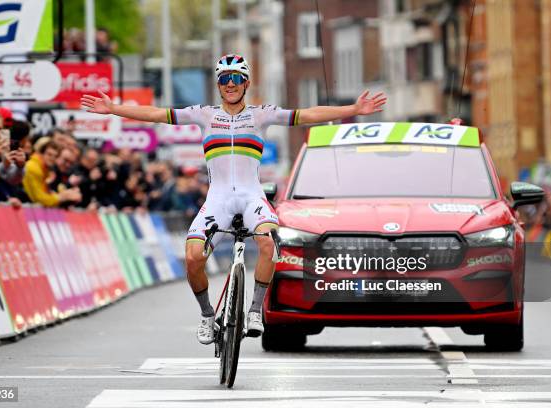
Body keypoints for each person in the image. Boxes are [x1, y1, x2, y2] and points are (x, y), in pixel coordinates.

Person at [81, 53, 387, 344]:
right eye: (225, 78)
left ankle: (255, 311)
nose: (231, 83)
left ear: (246, 83)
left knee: (267, 243)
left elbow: (307, 114)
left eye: (237, 78)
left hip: (251, 195)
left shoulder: (261, 115)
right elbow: (155, 114)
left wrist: (353, 109)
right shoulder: (203, 114)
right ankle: (206, 315)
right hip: (217, 200)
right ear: (218, 84)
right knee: (192, 258)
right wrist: (114, 109)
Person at [22, 140, 82, 207]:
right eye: (49, 154)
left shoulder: (45, 169)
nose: (52, 158)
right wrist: (61, 197)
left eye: (55, 156)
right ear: (42, 153)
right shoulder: (34, 167)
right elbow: (38, 198)